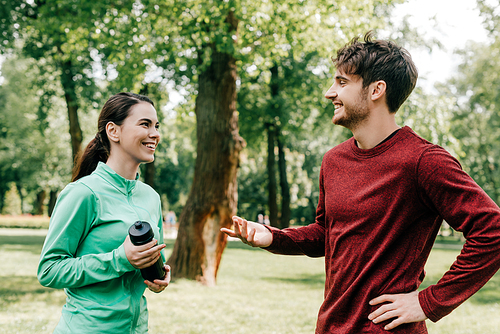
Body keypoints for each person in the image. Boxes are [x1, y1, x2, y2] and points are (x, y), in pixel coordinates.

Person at [221, 32, 500, 333]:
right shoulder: (333, 160)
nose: (330, 93)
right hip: (330, 326)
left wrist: (427, 302)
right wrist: (274, 237)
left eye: (342, 82)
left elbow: (493, 231)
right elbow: (326, 234)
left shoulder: (423, 161)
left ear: (377, 89)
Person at [38, 92, 171, 333]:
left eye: (157, 126)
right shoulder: (83, 193)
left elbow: (148, 259)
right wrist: (119, 259)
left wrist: (158, 274)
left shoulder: (151, 197)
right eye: (145, 124)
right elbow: (49, 270)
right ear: (114, 131)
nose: (155, 134)